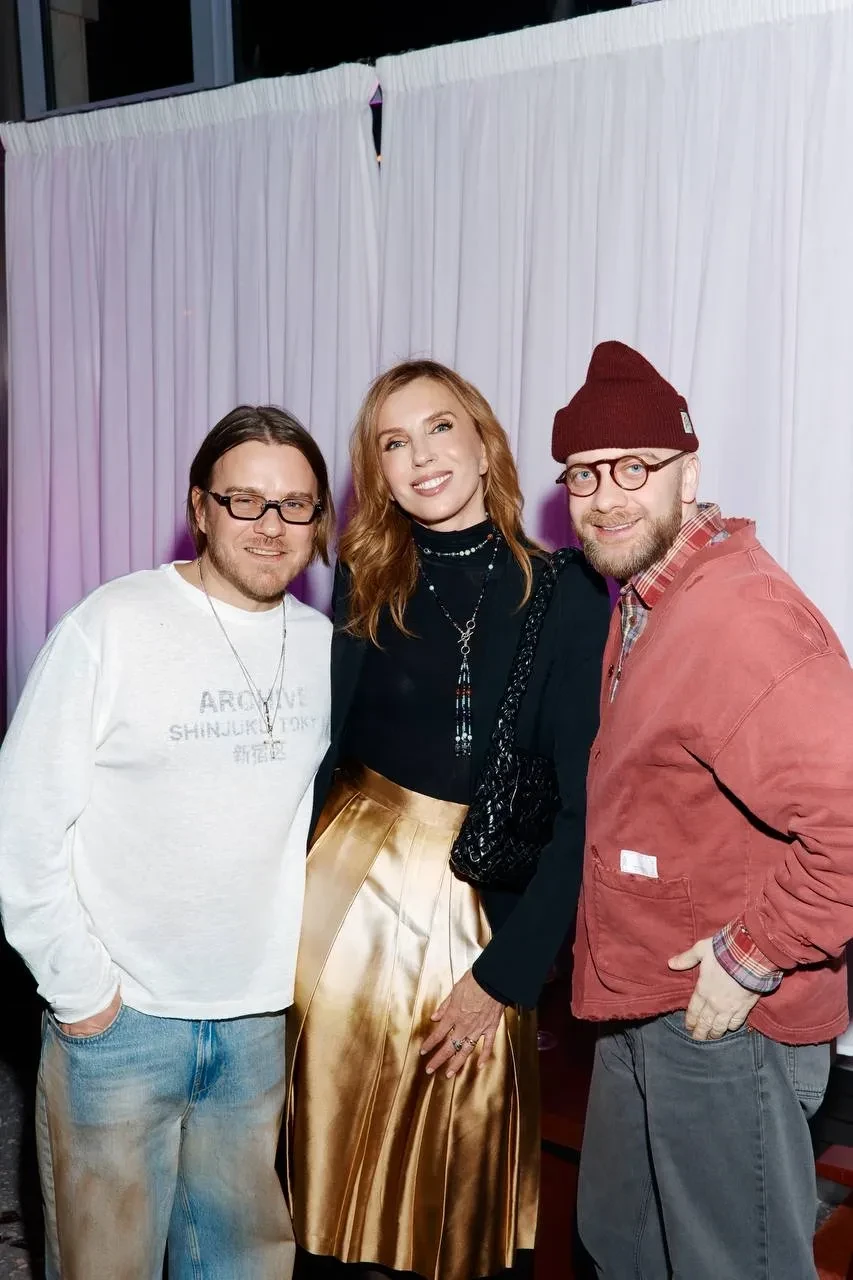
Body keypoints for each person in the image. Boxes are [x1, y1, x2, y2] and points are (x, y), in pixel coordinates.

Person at [284, 359, 610, 1280]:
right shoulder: (365, 576)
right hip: (340, 904)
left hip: (480, 911)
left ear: (482, 443)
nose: (421, 456)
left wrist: (507, 976)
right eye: (393, 443)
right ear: (378, 472)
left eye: (438, 428)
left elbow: (582, 810)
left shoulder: (569, 592)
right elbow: (324, 753)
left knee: (456, 1192)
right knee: (318, 1176)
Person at [0, 405, 334, 1280]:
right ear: (199, 507)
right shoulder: (110, 625)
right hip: (120, 1021)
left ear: (318, 520)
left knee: (242, 1265)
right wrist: (81, 992)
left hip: (257, 1022)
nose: (270, 525)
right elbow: (22, 823)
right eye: (244, 500)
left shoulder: (325, 648)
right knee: (106, 1264)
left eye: (294, 505)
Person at [552, 340, 853, 1280]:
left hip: (722, 1025)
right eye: (583, 473)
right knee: (624, 1245)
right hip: (646, 1001)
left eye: (632, 468)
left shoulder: (737, 617)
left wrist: (748, 956)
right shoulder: (651, 592)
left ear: (688, 472)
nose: (604, 497)